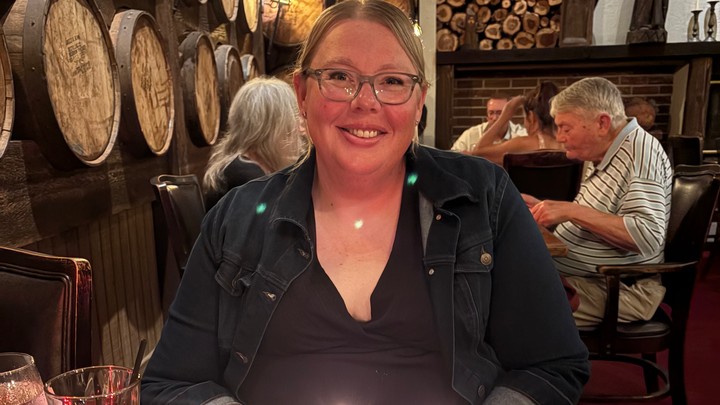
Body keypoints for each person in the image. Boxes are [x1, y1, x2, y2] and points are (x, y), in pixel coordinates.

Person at [141, 2, 589, 404]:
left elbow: (551, 365)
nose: (365, 102)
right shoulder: (235, 219)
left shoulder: (484, 197)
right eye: (339, 77)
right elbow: (172, 382)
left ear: (419, 103)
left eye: (392, 81)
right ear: (302, 93)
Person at [523, 77, 673, 327]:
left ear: (602, 123)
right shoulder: (605, 152)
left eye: (565, 128)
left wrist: (571, 211)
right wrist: (545, 208)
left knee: (506, 302)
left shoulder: (639, 152)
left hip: (620, 290)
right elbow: (596, 219)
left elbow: (646, 236)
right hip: (588, 279)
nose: (560, 137)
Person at [203, 77, 305, 210]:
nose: (300, 129)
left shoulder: (237, 166)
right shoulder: (247, 178)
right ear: (274, 127)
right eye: (295, 118)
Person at [470, 82, 563, 165]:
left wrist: (505, 115)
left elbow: (478, 152)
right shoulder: (566, 144)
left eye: (524, 118)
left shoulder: (522, 145)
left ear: (531, 117)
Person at [451, 93, 527, 153]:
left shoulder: (520, 134)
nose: (495, 118)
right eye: (491, 113)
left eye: (499, 113)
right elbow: (452, 157)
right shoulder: (471, 134)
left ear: (508, 114)